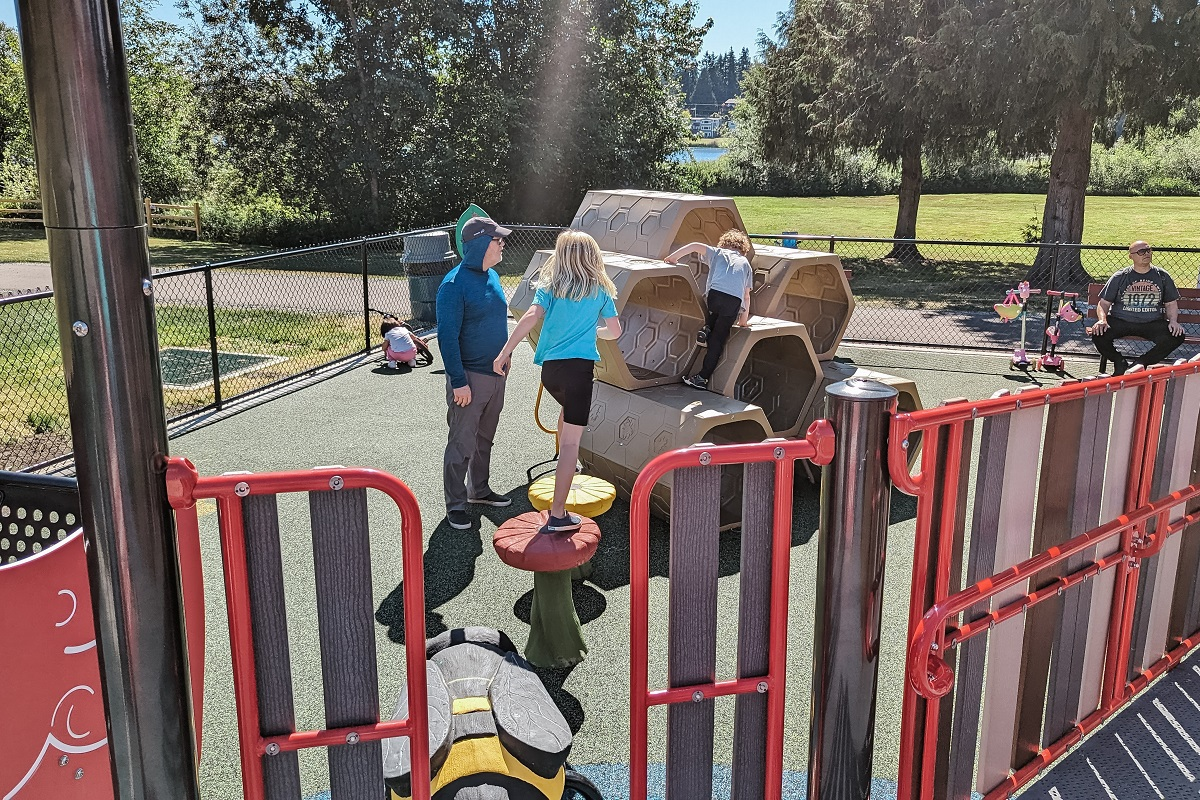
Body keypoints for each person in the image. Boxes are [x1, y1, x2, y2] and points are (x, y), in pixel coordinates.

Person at [494, 231, 621, 533]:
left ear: (560, 256)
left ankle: (565, 473)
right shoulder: (600, 290)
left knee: (567, 414)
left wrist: (504, 352)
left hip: (551, 373)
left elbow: (530, 318)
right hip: (579, 372)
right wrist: (593, 332)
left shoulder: (550, 286)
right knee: (571, 444)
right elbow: (614, 331)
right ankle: (558, 515)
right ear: (593, 257)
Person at [437, 216, 515, 530]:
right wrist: (458, 382)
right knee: (461, 443)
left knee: (485, 439)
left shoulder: (493, 277)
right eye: (498, 239)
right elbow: (446, 337)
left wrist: (507, 356)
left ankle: (478, 491)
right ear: (481, 243)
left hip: (497, 377)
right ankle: (455, 505)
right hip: (469, 380)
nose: (503, 244)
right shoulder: (453, 285)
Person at [664, 229, 753, 390]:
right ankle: (702, 378)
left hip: (714, 295)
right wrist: (743, 322)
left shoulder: (718, 252)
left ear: (724, 244)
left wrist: (673, 258)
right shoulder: (746, 264)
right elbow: (746, 296)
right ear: (743, 249)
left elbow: (694, 245)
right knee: (718, 341)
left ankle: (706, 329)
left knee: (714, 313)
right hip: (733, 301)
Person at [1091, 240, 1186, 375]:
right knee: (1098, 333)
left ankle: (1140, 364)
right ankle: (1119, 362)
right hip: (1121, 321)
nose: (1146, 254)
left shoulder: (1162, 276)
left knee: (1177, 335)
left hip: (1151, 323)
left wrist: (1173, 321)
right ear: (1131, 256)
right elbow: (1104, 303)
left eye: (1148, 250)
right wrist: (1102, 320)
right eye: (1141, 252)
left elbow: (1171, 303)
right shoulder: (1120, 276)